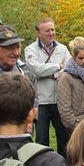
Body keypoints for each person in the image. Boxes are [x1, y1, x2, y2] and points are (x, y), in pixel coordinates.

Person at [24, 17, 71, 154]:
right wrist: (58, 66)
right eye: (47, 31)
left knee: (64, 138)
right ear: (38, 33)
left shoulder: (62, 48)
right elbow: (36, 69)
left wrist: (49, 72)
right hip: (41, 102)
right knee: (42, 140)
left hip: (60, 100)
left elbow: (68, 69)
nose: (51, 33)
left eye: (53, 29)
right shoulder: (30, 50)